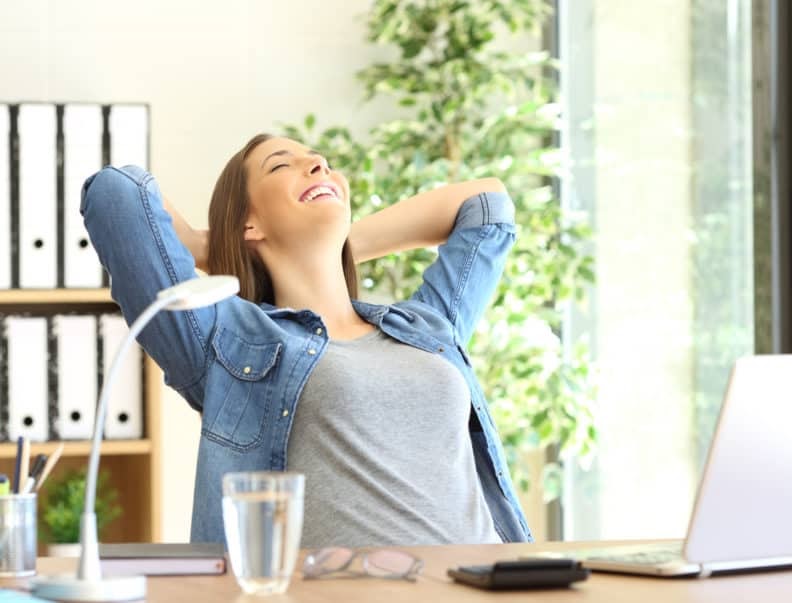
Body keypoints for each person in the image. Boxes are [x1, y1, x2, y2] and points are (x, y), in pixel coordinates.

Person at [81, 133, 532, 546]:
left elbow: (487, 206)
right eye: (281, 165)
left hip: (487, 582)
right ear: (249, 226)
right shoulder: (230, 343)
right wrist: (212, 246)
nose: (318, 165)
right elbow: (118, 193)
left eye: (322, 162)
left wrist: (336, 241)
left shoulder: (425, 326)